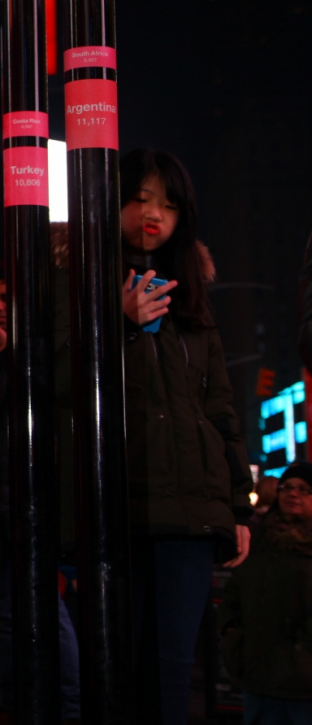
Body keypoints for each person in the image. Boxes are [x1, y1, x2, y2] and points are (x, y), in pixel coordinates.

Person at [120, 147, 252, 725]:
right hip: (120, 504)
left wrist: (235, 511)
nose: (155, 214)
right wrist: (117, 322)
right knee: (120, 664)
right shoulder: (76, 276)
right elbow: (58, 381)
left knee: (175, 669)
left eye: (169, 205)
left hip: (191, 513)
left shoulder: (192, 296)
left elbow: (219, 408)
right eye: (143, 198)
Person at [220, 463, 312, 724]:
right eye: (287, 487)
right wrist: (233, 633)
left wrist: (303, 652)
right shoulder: (260, 539)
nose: (293, 493)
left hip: (304, 685)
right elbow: (234, 591)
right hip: (258, 675)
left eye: (304, 489)